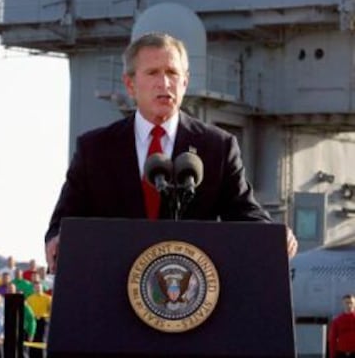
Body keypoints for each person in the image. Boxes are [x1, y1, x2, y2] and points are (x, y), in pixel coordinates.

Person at [45, 32, 298, 272]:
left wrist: (274, 235)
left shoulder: (217, 147)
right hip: (115, 287)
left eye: (172, 73)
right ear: (130, 84)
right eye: (153, 72)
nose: (164, 83)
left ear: (185, 82)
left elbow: (245, 213)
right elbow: (66, 218)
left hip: (191, 294)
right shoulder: (95, 149)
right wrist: (56, 238)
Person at [328, 293, 355, 358]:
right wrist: (332, 355)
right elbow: (332, 340)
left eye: (351, 303)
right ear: (343, 304)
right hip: (341, 353)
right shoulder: (337, 321)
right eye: (346, 303)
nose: (349, 305)